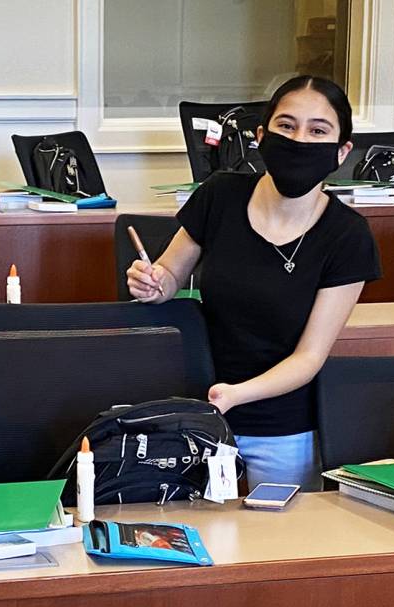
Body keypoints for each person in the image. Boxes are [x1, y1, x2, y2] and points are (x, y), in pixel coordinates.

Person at [128, 75, 380, 489]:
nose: (299, 139)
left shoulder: (348, 235)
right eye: (286, 125)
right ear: (261, 135)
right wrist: (153, 282)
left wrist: (235, 395)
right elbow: (170, 274)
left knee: (277, 544)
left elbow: (310, 357)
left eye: (318, 130)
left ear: (341, 151)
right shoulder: (220, 195)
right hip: (199, 415)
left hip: (283, 428)